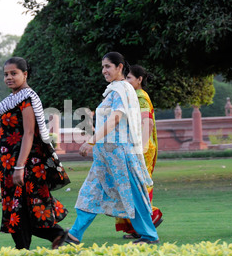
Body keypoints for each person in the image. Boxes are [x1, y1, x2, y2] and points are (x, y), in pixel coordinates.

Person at [66, 52, 159, 245]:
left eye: (108, 66)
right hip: (106, 156)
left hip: (121, 155)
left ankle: (149, 236)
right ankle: (75, 234)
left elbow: (116, 117)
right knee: (90, 192)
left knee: (133, 194)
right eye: (102, 67)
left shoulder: (121, 90)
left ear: (120, 67)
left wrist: (91, 140)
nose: (104, 71)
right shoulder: (114, 90)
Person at [0, 57, 70, 250]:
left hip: (26, 163)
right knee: (18, 209)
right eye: (6, 74)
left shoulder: (27, 99)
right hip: (10, 163)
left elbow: (28, 133)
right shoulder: (11, 101)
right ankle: (55, 238)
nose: (9, 77)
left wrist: (19, 167)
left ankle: (52, 238)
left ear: (25, 74)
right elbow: (7, 136)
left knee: (22, 209)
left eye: (13, 73)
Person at [115, 64, 163, 239]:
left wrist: (140, 150)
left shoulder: (141, 98)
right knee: (133, 187)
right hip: (135, 147)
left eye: (129, 78)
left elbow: (147, 124)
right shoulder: (133, 96)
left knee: (139, 187)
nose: (126, 81)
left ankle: (150, 218)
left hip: (141, 148)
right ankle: (137, 227)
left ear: (139, 80)